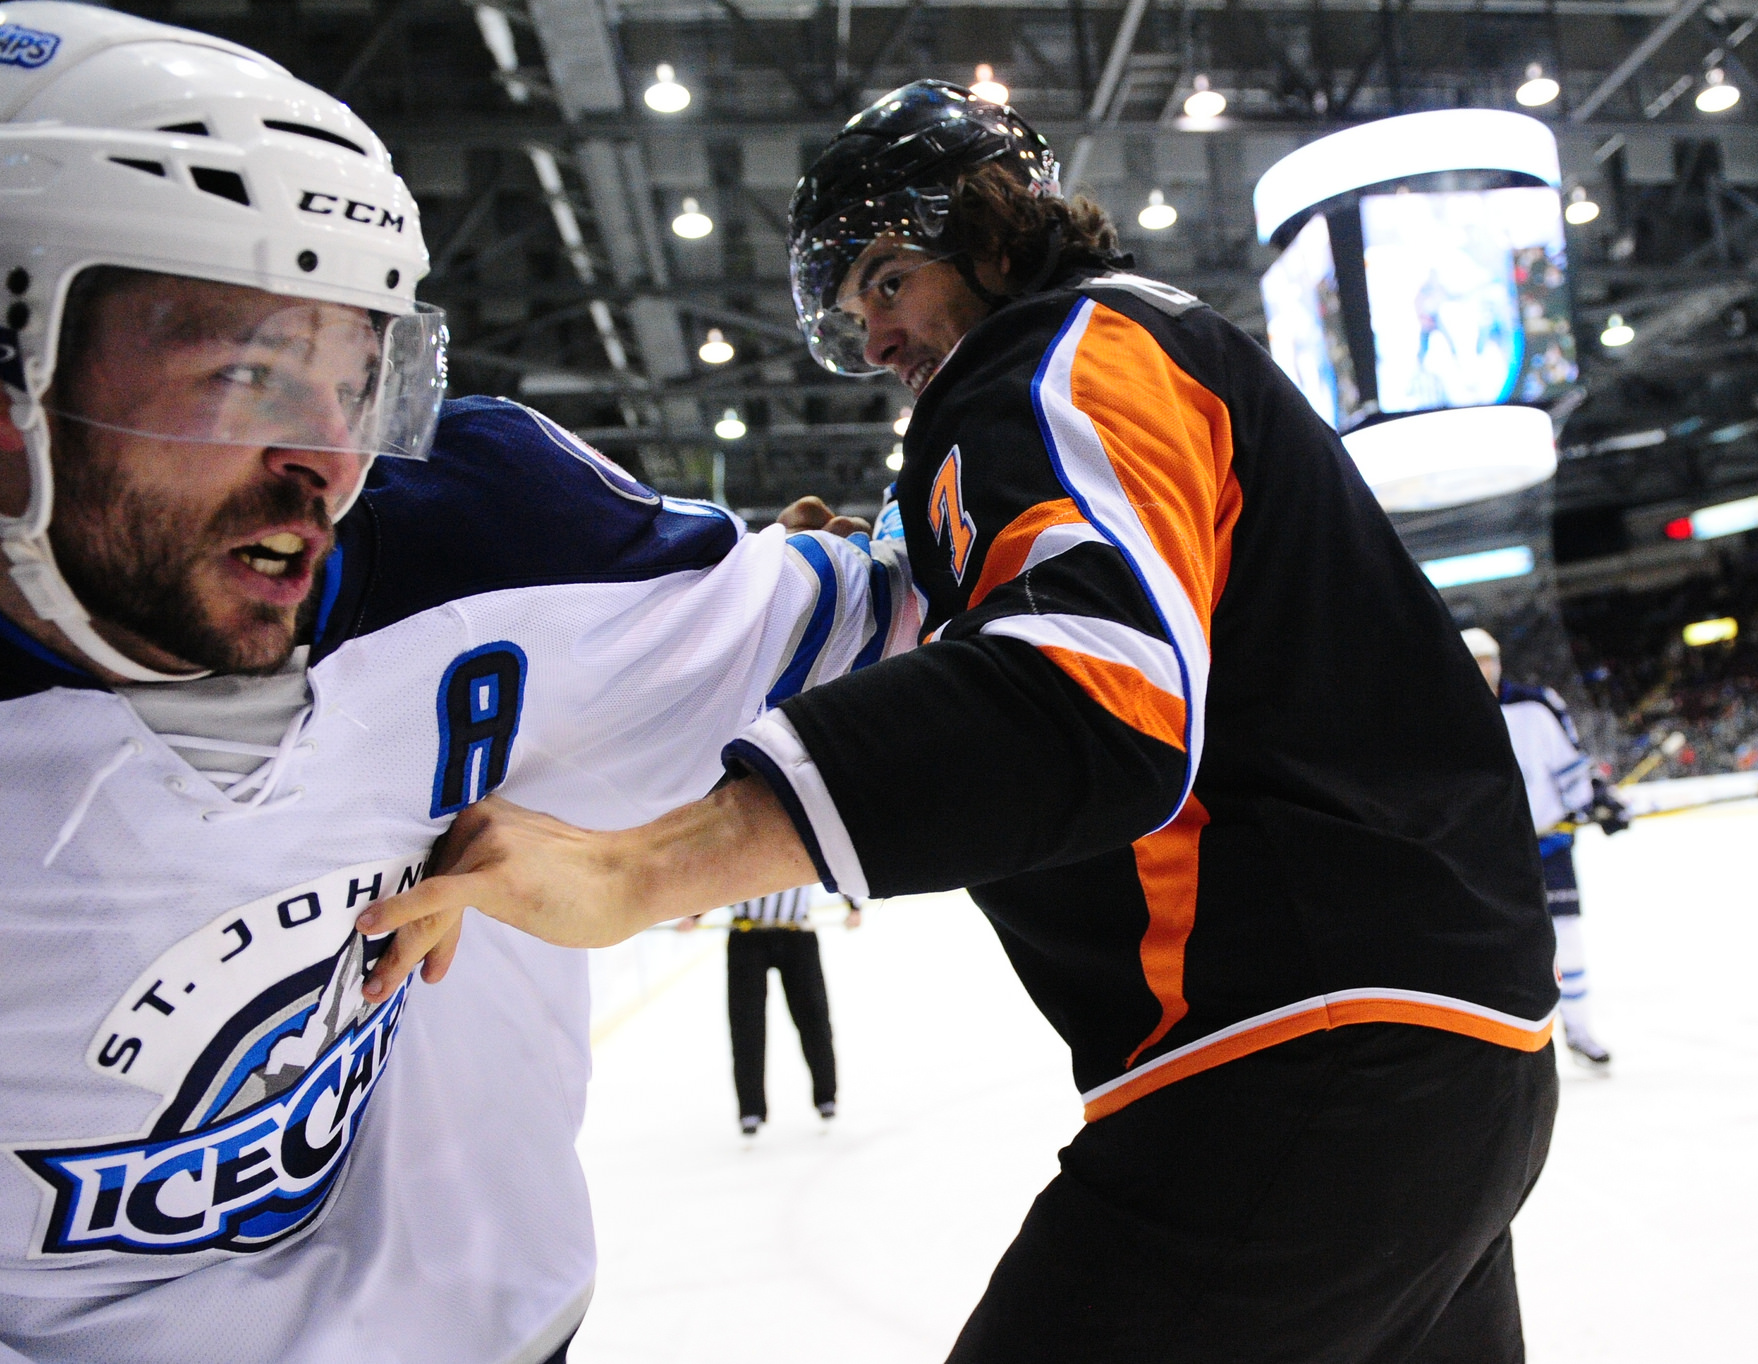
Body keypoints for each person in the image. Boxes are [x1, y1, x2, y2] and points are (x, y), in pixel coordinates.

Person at [0, 7, 914, 1362]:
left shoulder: (495, 554)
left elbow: (926, 610)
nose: (325, 464)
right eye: (247, 372)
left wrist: (1061, 358)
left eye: (358, 381)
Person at [366, 80, 1562, 1362]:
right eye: (848, 313)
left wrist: (635, 863)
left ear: (994, 232)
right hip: (1451, 1062)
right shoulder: (1136, 368)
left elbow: (1091, 692)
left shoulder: (1060, 353)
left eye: (885, 277)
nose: (873, 337)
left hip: (1303, 1061)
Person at [1464, 627, 1625, 1068]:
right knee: (1508, 951)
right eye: (1475, 660)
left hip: (1550, 844)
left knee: (1567, 940)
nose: (1486, 668)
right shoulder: (1451, 715)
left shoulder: (1535, 705)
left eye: (1490, 658)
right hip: (1494, 856)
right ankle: (1522, 1046)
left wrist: (1599, 800)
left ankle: (1579, 1029)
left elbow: (1569, 761)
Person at [680, 887, 861, 1135]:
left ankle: (826, 1096)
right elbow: (720, 876)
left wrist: (854, 906)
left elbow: (831, 862)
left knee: (814, 1018)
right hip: (747, 935)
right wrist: (694, 915)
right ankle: (751, 1109)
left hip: (796, 932)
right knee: (746, 1026)